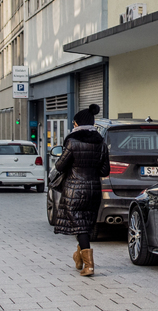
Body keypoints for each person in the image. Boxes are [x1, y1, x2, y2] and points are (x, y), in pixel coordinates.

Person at [53, 104, 109, 276]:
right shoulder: (101, 143)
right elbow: (105, 171)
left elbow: (60, 165)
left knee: (80, 227)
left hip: (74, 190)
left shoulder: (72, 141)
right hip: (93, 190)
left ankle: (89, 266)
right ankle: (79, 256)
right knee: (85, 224)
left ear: (77, 124)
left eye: (74, 123)